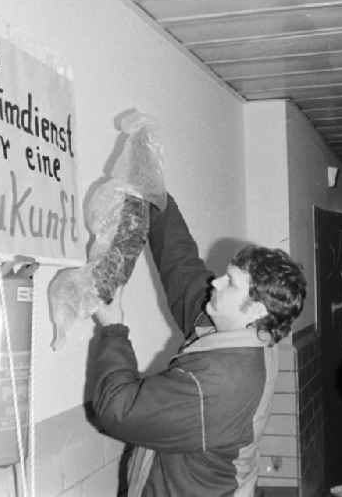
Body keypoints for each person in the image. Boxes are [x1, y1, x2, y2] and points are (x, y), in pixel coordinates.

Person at [85, 195, 307, 497]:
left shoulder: (221, 381)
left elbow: (116, 410)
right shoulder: (243, 334)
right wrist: (159, 201)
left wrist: (112, 329)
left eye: (230, 282)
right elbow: (183, 270)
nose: (216, 284)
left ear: (257, 309)